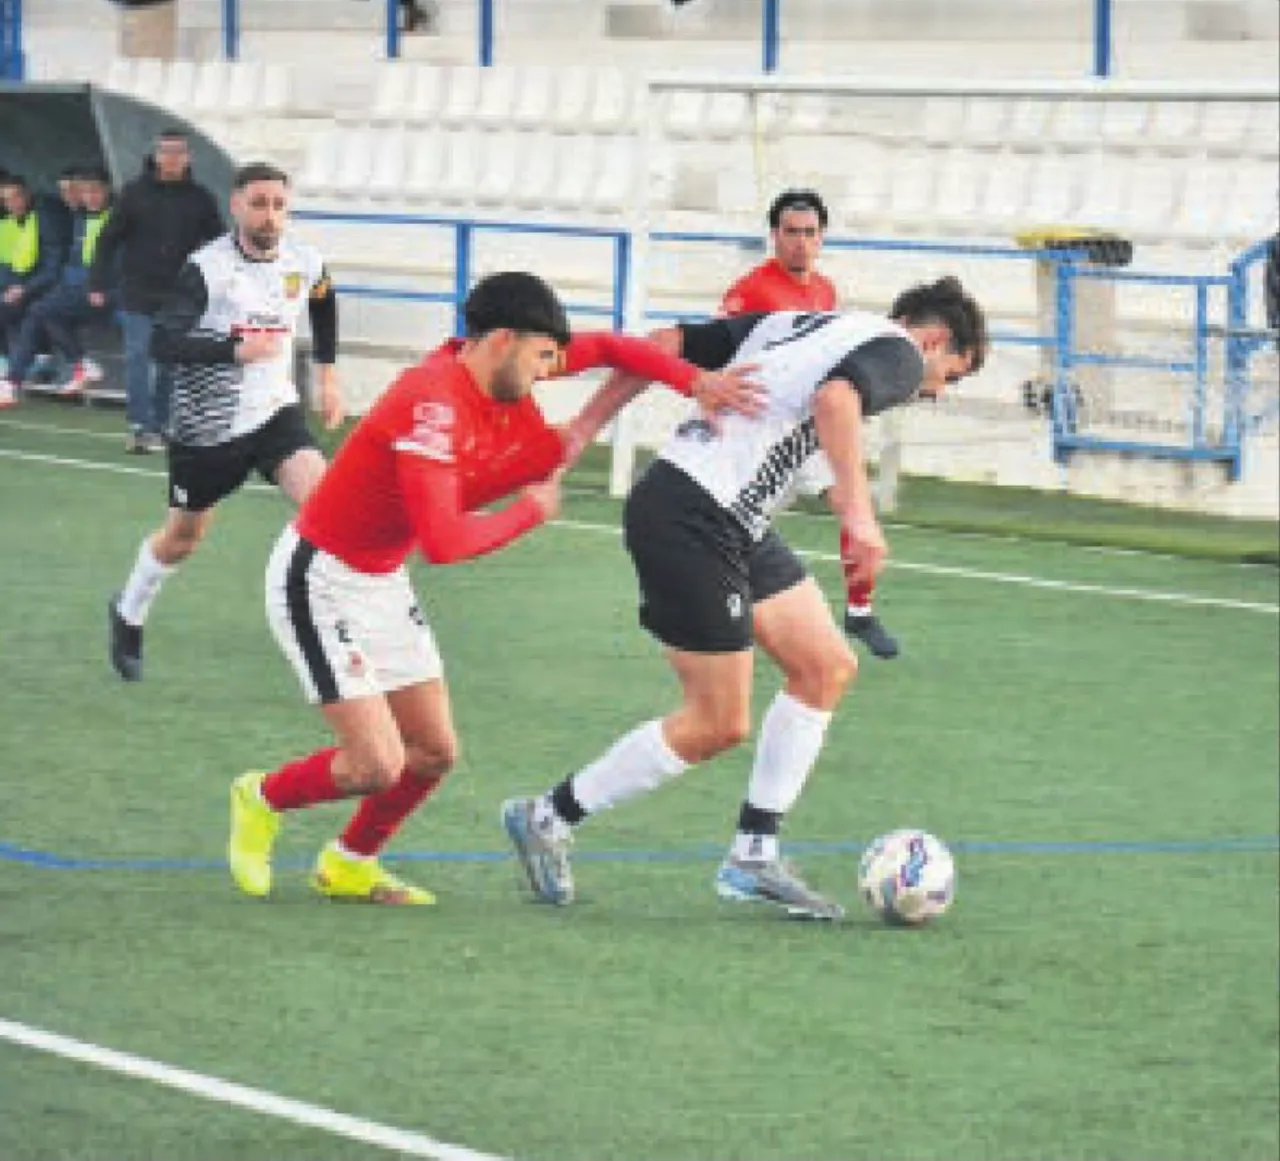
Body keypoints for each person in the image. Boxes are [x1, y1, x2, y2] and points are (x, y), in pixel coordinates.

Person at [225, 271, 763, 906]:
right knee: (375, 764)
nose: (548, 372)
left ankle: (349, 862)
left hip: (379, 577)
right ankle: (261, 797)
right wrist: (529, 512)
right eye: (540, 357)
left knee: (432, 751)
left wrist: (694, 382)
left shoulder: (506, 372)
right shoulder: (432, 405)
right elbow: (445, 543)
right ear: (503, 340)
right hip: (319, 578)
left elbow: (619, 349)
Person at [502, 277, 987, 920]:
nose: (936, 391)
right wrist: (858, 512)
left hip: (726, 517)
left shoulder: (796, 324)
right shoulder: (898, 353)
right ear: (935, 340)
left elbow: (658, 346)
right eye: (951, 375)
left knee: (826, 666)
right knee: (717, 722)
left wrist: (583, 428)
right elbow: (837, 399)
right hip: (694, 518)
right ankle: (548, 815)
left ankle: (754, 855)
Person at [107, 161, 344, 684]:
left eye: (279, 205)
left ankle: (331, 629)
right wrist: (235, 349)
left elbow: (324, 304)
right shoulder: (207, 268)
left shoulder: (304, 261)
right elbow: (164, 342)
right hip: (207, 429)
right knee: (182, 539)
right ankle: (128, 611)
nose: (269, 215)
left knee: (329, 511)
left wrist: (327, 377)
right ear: (236, 206)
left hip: (276, 414)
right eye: (258, 204)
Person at [720, 187, 900, 660]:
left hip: (805, 424)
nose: (801, 242)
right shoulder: (749, 292)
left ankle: (860, 610)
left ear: (822, 238)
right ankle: (722, 603)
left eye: (810, 233)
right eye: (791, 232)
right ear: (775, 236)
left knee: (851, 498)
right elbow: (725, 353)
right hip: (760, 429)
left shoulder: (824, 290)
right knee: (739, 524)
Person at [87, 128, 224, 453]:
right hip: (138, 289)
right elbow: (108, 240)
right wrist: (97, 281)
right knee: (138, 356)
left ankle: (162, 425)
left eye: (179, 152)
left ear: (188, 157)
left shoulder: (200, 198)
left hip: (179, 294)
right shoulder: (134, 193)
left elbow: (219, 244)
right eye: (166, 151)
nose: (172, 158)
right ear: (156, 155)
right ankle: (139, 426)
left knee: (167, 362)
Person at [1, 167, 116, 393]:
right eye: (83, 192)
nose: (71, 196)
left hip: (108, 292)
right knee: (41, 309)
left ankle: (21, 373)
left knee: (41, 309)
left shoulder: (115, 217)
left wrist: (26, 288)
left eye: (93, 191)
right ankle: (15, 377)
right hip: (75, 287)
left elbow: (116, 263)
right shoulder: (81, 218)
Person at [0, 173, 65, 407]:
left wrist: (24, 289)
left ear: (27, 195)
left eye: (16, 197)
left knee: (35, 310)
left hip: (43, 287)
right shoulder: (7, 224)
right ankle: (10, 367)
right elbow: (8, 264)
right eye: (6, 200)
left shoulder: (43, 219)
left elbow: (52, 266)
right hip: (19, 288)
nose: (12, 204)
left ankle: (20, 373)